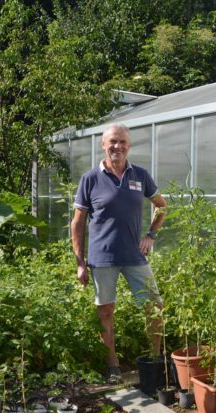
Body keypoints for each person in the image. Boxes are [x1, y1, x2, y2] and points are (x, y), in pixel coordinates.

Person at [71, 123, 166, 382]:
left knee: (154, 306)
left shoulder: (140, 175)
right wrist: (80, 262)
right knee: (105, 311)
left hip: (134, 256)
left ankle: (156, 358)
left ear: (129, 145)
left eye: (122, 141)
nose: (118, 146)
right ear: (103, 144)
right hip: (102, 258)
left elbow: (161, 206)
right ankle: (112, 365)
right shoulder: (90, 179)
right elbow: (77, 223)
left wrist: (151, 235)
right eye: (113, 141)